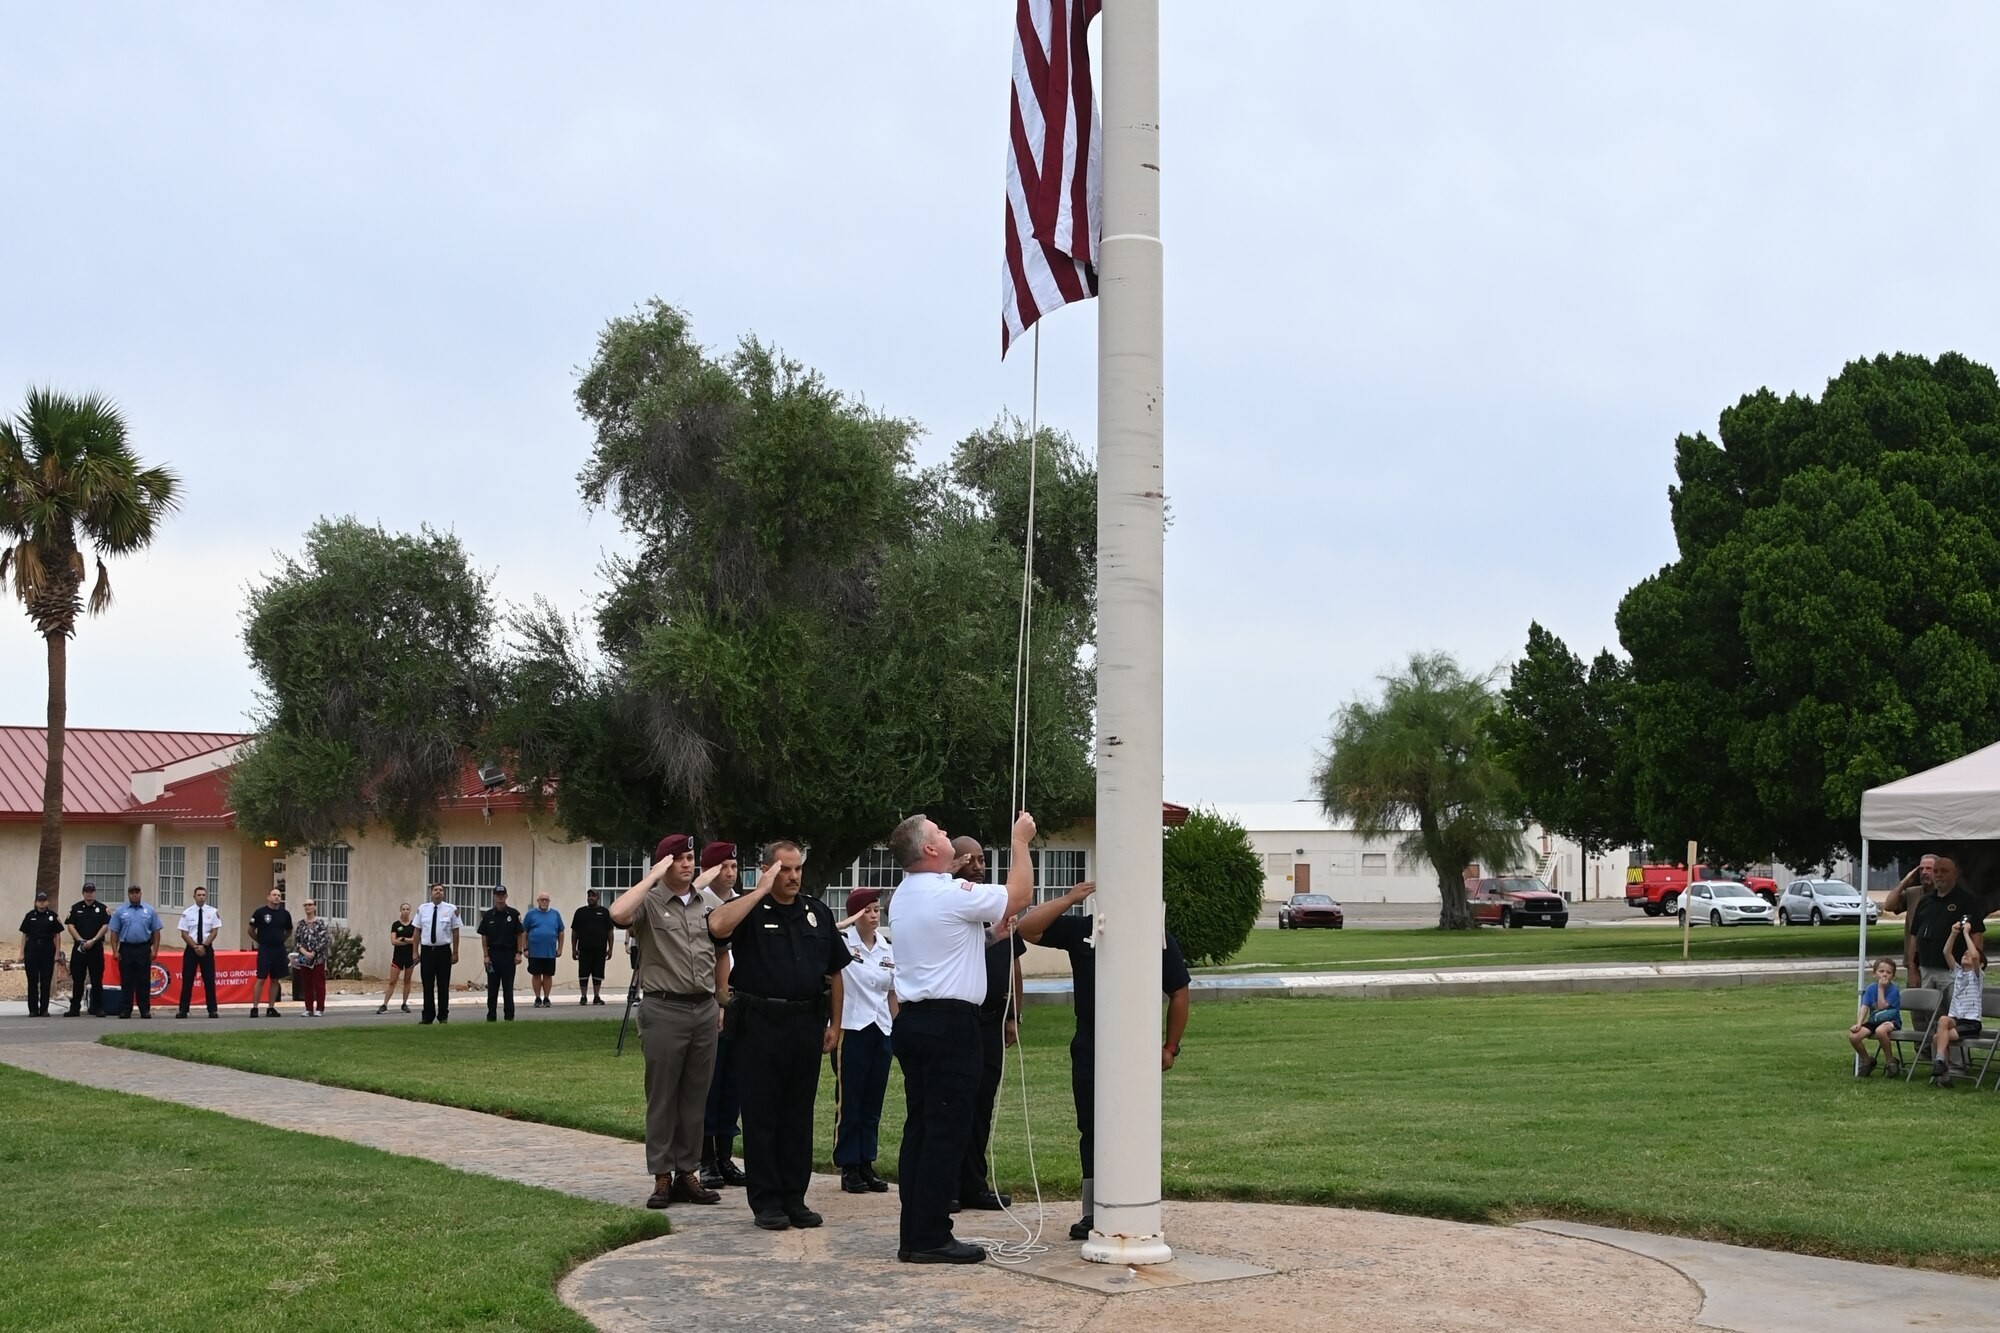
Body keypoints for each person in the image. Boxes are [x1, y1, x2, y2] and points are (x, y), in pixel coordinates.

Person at [883, 810, 1036, 1265]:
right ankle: (930, 1236)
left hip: (916, 1022)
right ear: (930, 850)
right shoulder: (946, 892)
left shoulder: (906, 895)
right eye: (939, 832)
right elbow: (1020, 894)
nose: (946, 834)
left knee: (923, 1128)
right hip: (950, 1026)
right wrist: (1021, 842)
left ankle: (915, 1231)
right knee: (946, 1131)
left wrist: (990, 936)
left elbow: (944, 946)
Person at [1018, 877, 1192, 1241]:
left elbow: (1178, 992)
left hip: (1135, 1044)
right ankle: (1091, 1210)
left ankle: (1135, 1202)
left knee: (1133, 1124)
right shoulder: (1084, 930)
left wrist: (1169, 1048)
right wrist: (1070, 898)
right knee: (1091, 1126)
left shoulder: (1154, 938)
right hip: (1090, 1039)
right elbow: (1028, 929)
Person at [706, 839, 849, 1231]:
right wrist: (759, 891)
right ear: (768, 870)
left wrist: (835, 1025)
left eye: (797, 869)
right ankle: (766, 1201)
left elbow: (836, 972)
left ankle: (794, 1198)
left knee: (797, 1116)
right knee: (762, 1114)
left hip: (805, 1023)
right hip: (760, 1024)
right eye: (784, 869)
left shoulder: (816, 913)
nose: (793, 876)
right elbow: (717, 925)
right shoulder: (751, 911)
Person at [610, 834, 731, 1208]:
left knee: (696, 1095)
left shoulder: (703, 904)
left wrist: (721, 1001)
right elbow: (617, 914)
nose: (687, 863)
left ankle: (687, 1173)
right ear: (663, 864)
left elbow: (721, 952)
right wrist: (651, 877)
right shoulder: (648, 902)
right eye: (678, 858)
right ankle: (662, 1176)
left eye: (690, 857)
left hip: (703, 1008)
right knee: (663, 1096)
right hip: (664, 1008)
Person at [948, 837, 1023, 1213]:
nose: (979, 865)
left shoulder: (993, 904)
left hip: (994, 1021)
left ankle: (975, 1182)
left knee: (982, 1105)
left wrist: (1013, 1015)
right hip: (962, 1019)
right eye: (970, 859)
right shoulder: (952, 900)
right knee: (955, 1105)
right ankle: (949, 1186)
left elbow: (1013, 961)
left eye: (981, 859)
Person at [831, 887, 895, 1195]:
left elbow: (892, 991)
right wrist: (845, 923)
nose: (873, 915)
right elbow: (819, 937)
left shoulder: (886, 947)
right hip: (852, 1027)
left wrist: (898, 1027)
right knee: (850, 1101)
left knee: (873, 1101)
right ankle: (848, 1165)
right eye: (867, 910)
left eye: (876, 910)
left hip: (880, 1028)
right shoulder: (842, 944)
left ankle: (867, 1161)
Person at [697, 841, 749, 1190]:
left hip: (741, 1001)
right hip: (713, 1002)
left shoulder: (742, 905)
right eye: (723, 867)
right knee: (710, 1086)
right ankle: (705, 1159)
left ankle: (725, 1155)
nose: (730, 874)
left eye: (734, 867)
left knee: (734, 1083)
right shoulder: (700, 904)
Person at [1883, 855, 1985, 990]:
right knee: (1924, 1009)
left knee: (1952, 1010)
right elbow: (1914, 935)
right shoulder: (1924, 900)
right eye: (1936, 871)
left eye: (1943, 871)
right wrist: (1913, 969)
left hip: (1952, 970)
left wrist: (1972, 966)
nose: (1938, 875)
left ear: (1955, 874)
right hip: (1924, 968)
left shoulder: (1966, 900)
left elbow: (1976, 935)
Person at [1930, 920, 1985, 1087]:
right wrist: (1953, 933)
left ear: (1981, 965)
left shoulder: (1977, 976)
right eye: (1964, 953)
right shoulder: (1958, 973)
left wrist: (1967, 934)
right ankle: (1941, 1062)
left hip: (1970, 1023)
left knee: (1937, 1038)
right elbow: (1946, 952)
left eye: (1968, 954)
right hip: (1956, 1019)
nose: (1965, 955)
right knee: (1943, 1020)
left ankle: (1944, 1075)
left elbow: (1975, 956)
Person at [109, 884, 163, 1019]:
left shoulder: (149, 910)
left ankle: (144, 1009)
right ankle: (126, 1009)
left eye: (137, 892)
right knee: (126, 981)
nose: (135, 895)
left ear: (141, 893)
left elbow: (156, 931)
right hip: (126, 948)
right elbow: (114, 932)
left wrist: (155, 950)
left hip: (143, 948)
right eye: (132, 892)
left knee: (143, 981)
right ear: (128, 894)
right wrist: (115, 951)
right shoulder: (121, 911)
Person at [415, 883, 462, 1024]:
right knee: (427, 985)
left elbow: (456, 932)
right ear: (431, 893)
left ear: (444, 893)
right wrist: (414, 952)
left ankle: (443, 1016)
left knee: (443, 984)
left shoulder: (451, 909)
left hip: (443, 951)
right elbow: (417, 931)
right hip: (427, 951)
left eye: (441, 890)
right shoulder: (423, 909)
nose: (438, 892)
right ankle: (427, 1016)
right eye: (435, 890)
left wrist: (455, 952)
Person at [478, 885, 526, 1022]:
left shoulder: (513, 914)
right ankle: (491, 1016)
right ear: (494, 896)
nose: (500, 897)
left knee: (508, 988)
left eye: (502, 895)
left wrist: (519, 953)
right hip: (493, 954)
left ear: (506, 896)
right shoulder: (488, 915)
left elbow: (520, 934)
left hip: (508, 955)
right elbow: (484, 936)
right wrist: (486, 956)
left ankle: (509, 1016)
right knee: (492, 989)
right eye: (498, 895)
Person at [1847, 959, 1901, 1078]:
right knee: (1854, 1036)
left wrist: (1881, 989)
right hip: (1874, 1021)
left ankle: (1890, 1061)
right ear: (1874, 973)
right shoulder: (1871, 988)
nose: (1884, 974)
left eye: (1888, 972)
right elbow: (1864, 1006)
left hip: (1891, 1021)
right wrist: (1859, 1023)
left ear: (1893, 976)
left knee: (1880, 1031)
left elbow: (1882, 1007)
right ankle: (1867, 1061)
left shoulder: (1894, 990)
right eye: (1881, 971)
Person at [63, 881, 110, 1017]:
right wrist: (80, 940)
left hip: (95, 947)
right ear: (83, 893)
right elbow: (70, 925)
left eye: (91, 891)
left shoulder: (102, 908)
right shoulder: (76, 908)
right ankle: (74, 1008)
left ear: (94, 893)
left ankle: (98, 1007)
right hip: (80, 948)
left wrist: (94, 940)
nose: (89, 894)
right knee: (78, 979)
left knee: (96, 979)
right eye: (87, 891)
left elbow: (105, 926)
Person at [175, 886, 222, 1019]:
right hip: (191, 949)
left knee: (209, 980)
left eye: (203, 895)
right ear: (194, 897)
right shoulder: (187, 913)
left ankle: (212, 1010)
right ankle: (183, 1010)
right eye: (199, 895)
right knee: (187, 980)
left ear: (206, 897)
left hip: (207, 949)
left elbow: (214, 931)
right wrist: (195, 947)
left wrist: (205, 946)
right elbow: (184, 933)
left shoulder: (212, 912)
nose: (201, 897)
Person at [247, 887, 294, 1018]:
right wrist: (260, 940)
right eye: (274, 895)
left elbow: (289, 930)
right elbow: (251, 930)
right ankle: (255, 1007)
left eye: (279, 895)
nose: (277, 897)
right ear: (269, 897)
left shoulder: (285, 914)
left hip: (279, 949)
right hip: (265, 949)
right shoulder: (260, 913)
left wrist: (281, 940)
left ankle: (271, 1007)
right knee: (261, 978)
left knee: (275, 979)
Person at [19, 889, 63, 1017]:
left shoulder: (52, 916)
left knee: (45, 981)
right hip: (32, 949)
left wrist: (57, 953)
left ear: (47, 902)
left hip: (47, 949)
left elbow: (57, 936)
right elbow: (24, 935)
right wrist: (21, 953)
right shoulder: (30, 916)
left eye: (44, 901)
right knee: (32, 981)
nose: (42, 903)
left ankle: (44, 1009)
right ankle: (33, 1009)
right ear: (36, 902)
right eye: (39, 901)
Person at [570, 889, 615, 1007]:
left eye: (593, 896)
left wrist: (610, 949)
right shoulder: (580, 912)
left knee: (598, 973)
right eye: (589, 896)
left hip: (600, 949)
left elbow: (610, 931)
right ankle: (583, 996)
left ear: (598, 898)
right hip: (584, 948)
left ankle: (596, 996)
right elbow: (574, 932)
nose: (591, 898)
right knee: (583, 973)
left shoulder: (604, 912)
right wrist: (573, 949)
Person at [523, 892, 564, 1008]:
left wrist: (560, 948)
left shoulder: (555, 914)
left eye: (546, 900)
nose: (544, 902)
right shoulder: (531, 915)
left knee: (548, 975)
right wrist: (525, 948)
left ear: (549, 901)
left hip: (550, 952)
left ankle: (546, 998)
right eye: (542, 900)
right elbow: (524, 932)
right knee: (536, 975)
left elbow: (561, 931)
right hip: (534, 952)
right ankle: (537, 998)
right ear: (538, 901)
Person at [293, 898, 332, 1017]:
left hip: (318, 958)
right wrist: (304, 952)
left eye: (310, 905)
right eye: (305, 905)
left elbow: (324, 940)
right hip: (304, 958)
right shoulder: (301, 924)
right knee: (306, 983)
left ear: (315, 907)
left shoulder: (320, 923)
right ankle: (308, 1008)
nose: (308, 907)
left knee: (319, 983)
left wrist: (314, 952)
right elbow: (297, 941)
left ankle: (320, 1008)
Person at [378, 903, 418, 1014]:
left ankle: (404, 1003)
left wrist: (404, 939)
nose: (405, 911)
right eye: (403, 909)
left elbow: (415, 940)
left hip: (410, 957)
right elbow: (394, 941)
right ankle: (385, 1004)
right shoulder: (396, 925)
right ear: (400, 911)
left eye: (407, 909)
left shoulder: (414, 925)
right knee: (392, 981)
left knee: (407, 980)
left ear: (410, 911)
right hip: (398, 957)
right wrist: (406, 941)